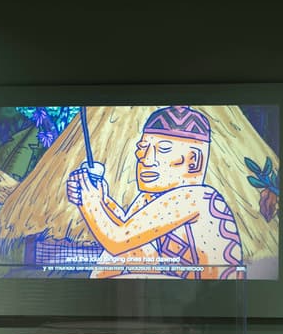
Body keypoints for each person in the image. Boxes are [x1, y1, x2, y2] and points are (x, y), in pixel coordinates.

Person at [64, 105, 246, 279]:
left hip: (210, 294)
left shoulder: (196, 197)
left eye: (163, 149)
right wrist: (102, 200)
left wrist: (91, 203)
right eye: (142, 149)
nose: (146, 159)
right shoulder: (149, 198)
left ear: (193, 161)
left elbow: (118, 240)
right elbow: (126, 229)